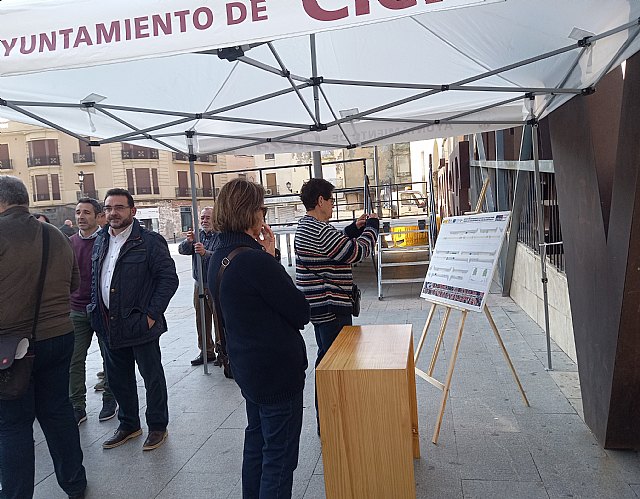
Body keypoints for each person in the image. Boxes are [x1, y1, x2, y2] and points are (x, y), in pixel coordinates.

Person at [208, 179, 310, 499]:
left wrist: (267, 257)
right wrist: (270, 258)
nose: (264, 216)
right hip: (275, 373)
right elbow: (300, 312)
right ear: (252, 213)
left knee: (256, 443)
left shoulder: (219, 254)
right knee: (278, 457)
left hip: (247, 368)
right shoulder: (254, 261)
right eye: (263, 209)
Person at [0, 175, 87, 499]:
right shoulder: (55, 234)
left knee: (13, 425)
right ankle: (75, 484)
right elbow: (75, 284)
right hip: (59, 337)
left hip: (11, 347)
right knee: (58, 412)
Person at [89, 188, 178, 451]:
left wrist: (152, 315)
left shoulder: (149, 241)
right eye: (108, 208)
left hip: (140, 323)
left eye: (119, 207)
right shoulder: (101, 240)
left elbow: (168, 279)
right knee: (118, 378)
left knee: (152, 378)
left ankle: (158, 426)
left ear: (133, 211)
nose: (113, 213)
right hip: (108, 323)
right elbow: (97, 278)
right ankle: (129, 424)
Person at [294, 178, 379, 430]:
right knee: (333, 363)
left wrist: (354, 227)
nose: (333, 205)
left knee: (327, 359)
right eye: (331, 200)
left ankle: (329, 419)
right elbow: (356, 252)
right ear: (320, 201)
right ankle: (332, 420)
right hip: (331, 306)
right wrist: (372, 227)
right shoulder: (321, 230)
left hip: (319, 307)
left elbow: (335, 245)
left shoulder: (307, 227)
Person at [68, 198, 117, 425]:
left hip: (102, 309)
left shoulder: (108, 241)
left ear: (99, 216)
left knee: (109, 356)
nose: (81, 216)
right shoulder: (69, 243)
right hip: (76, 310)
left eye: (86, 212)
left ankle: (110, 398)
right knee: (74, 360)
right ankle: (77, 405)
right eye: (78, 212)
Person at [178, 207, 220, 366]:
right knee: (201, 319)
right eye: (202, 218)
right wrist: (188, 241)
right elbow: (182, 250)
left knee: (218, 319)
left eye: (208, 217)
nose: (204, 221)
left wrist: (205, 253)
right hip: (199, 284)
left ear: (215, 218)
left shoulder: (221, 236)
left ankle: (222, 350)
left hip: (215, 284)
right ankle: (206, 351)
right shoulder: (198, 235)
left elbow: (219, 256)